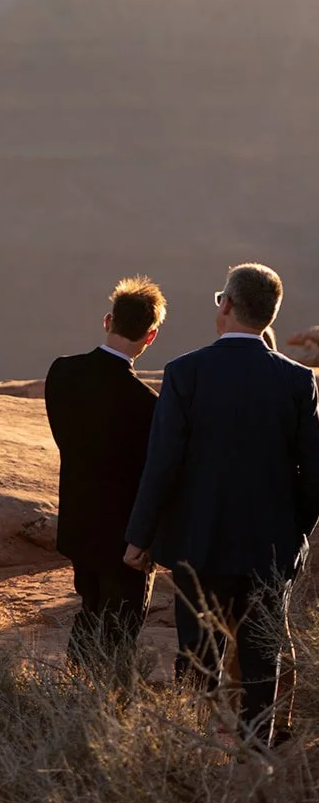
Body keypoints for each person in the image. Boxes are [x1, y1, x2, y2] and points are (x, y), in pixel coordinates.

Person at [125, 263, 319, 743]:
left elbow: (163, 464)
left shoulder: (186, 373)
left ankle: (192, 750)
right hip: (271, 549)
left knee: (196, 656)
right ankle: (256, 759)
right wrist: (294, 534)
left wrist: (139, 537)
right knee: (261, 659)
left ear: (227, 306)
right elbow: (313, 476)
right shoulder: (298, 382)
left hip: (199, 545)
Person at [44, 277, 166, 665]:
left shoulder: (62, 373)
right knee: (120, 630)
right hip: (126, 539)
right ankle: (101, 710)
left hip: (79, 526)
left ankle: (73, 698)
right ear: (150, 337)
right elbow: (153, 475)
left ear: (108, 320)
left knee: (90, 609)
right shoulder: (147, 404)